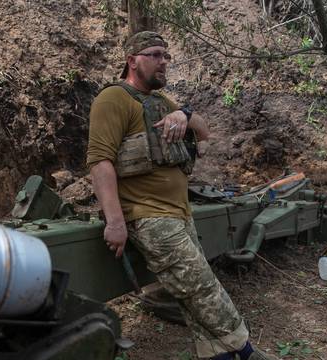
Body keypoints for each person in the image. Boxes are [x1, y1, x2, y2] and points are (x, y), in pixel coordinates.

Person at [86, 31, 276, 360]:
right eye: (155, 55)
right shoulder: (113, 100)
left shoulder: (161, 102)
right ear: (132, 61)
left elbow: (203, 132)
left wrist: (184, 115)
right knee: (204, 288)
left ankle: (218, 356)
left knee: (192, 297)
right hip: (149, 216)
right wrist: (115, 221)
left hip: (179, 213)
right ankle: (247, 353)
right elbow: (100, 162)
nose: (164, 62)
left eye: (166, 56)